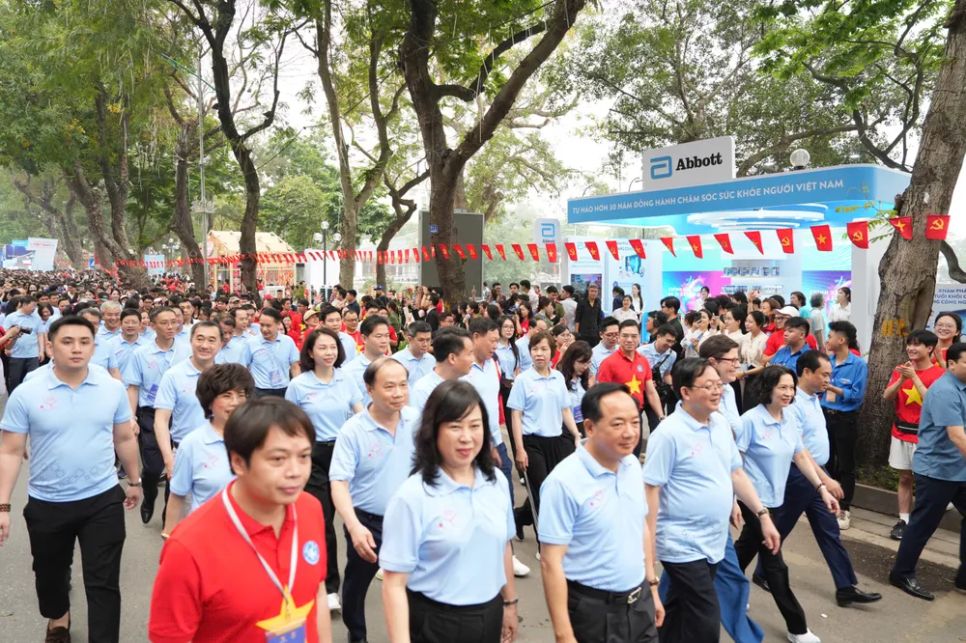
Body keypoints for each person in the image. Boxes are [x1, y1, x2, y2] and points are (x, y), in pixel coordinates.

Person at [0, 315, 141, 643]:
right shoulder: (28, 392)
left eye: (84, 342)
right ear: (50, 346)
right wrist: (3, 505)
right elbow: (10, 451)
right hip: (48, 501)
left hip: (102, 499)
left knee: (103, 581)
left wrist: (134, 480)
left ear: (94, 347)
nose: (76, 349)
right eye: (67, 342)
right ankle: (58, 618)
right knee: (49, 576)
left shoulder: (111, 387)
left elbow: (123, 437)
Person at [148, 398, 333, 642]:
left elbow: (316, 594)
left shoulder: (310, 509)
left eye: (304, 456)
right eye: (278, 459)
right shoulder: (189, 547)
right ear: (238, 462)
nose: (295, 471)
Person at [643, 358, 779, 643]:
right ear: (685, 392)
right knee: (705, 615)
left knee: (676, 610)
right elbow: (651, 491)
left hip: (715, 540)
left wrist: (762, 514)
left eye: (718, 384)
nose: (717, 391)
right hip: (680, 543)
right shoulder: (668, 434)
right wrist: (649, 546)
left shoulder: (718, 424)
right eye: (708, 386)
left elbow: (735, 472)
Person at [381, 381, 519, 643]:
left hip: (489, 614)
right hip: (436, 621)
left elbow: (503, 547)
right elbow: (394, 584)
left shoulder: (496, 483)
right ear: (433, 430)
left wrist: (509, 603)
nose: (466, 437)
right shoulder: (413, 496)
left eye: (475, 426)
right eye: (455, 426)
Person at [755, 351, 881, 608]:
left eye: (830, 374)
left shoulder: (814, 399)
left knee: (829, 530)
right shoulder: (792, 405)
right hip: (798, 477)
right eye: (824, 374)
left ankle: (845, 586)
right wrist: (825, 481)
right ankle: (761, 571)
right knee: (780, 527)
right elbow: (798, 450)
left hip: (815, 475)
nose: (828, 379)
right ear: (806, 373)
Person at [540, 383, 662, 643]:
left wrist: (652, 586)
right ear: (590, 427)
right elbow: (551, 561)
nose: (629, 433)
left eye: (634, 422)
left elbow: (639, 525)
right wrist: (564, 634)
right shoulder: (563, 482)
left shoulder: (631, 464)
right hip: (594, 611)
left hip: (639, 602)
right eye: (617, 424)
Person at [735, 365, 838, 643]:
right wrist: (735, 499)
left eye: (791, 388)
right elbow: (735, 465)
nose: (788, 393)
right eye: (782, 387)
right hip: (754, 501)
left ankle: (724, 589)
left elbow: (801, 456)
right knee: (774, 561)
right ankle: (797, 627)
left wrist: (822, 487)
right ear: (767, 388)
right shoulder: (750, 421)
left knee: (744, 549)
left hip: (777, 498)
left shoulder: (788, 419)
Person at [329, 357, 419, 643]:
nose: (398, 393)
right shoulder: (353, 431)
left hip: (410, 520)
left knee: (417, 583)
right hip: (367, 522)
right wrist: (354, 526)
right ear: (369, 389)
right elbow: (339, 483)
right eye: (389, 386)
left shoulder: (416, 421)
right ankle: (357, 635)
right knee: (357, 583)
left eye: (403, 385)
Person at [285, 327, 364, 611]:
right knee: (323, 521)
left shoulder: (346, 379)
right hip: (314, 456)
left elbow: (360, 415)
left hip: (345, 453)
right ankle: (330, 586)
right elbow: (289, 424)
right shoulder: (299, 385)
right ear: (310, 352)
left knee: (354, 518)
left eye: (333, 347)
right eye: (322, 348)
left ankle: (361, 578)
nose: (329, 352)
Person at [889, 341, 966, 600]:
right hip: (937, 470)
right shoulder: (945, 390)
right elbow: (957, 436)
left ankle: (964, 577)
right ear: (952, 364)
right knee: (923, 525)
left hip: (960, 469)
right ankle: (901, 573)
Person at [162, 363, 253, 536]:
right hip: (205, 536)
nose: (235, 403)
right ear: (209, 401)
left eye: (241, 395)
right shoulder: (192, 445)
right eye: (227, 395)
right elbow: (177, 496)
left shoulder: (258, 440)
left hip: (249, 537)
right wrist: (169, 537)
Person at [508, 330, 581, 539]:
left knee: (555, 489)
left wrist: (576, 435)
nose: (539, 353)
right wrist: (520, 449)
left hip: (556, 441)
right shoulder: (523, 380)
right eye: (535, 349)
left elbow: (565, 409)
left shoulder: (558, 377)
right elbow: (516, 415)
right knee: (542, 492)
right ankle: (546, 541)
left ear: (552, 352)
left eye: (543, 349)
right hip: (532, 442)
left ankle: (520, 517)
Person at [123, 307, 191, 525]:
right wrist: (131, 417)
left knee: (176, 464)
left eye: (174, 322)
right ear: (152, 325)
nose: (171, 327)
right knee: (152, 467)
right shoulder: (141, 354)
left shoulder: (186, 350)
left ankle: (167, 512)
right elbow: (133, 387)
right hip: (150, 414)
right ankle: (149, 495)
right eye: (165, 323)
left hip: (179, 412)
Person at [882, 330, 946, 541]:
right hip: (900, 432)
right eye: (909, 344)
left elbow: (933, 403)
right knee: (905, 477)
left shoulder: (940, 375)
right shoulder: (901, 369)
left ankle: (921, 524)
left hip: (926, 437)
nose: (911, 348)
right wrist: (901, 379)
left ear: (929, 349)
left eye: (917, 345)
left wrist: (914, 378)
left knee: (925, 481)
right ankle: (904, 520)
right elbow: (887, 396)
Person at [154, 321, 224, 508]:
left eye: (211, 340)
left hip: (221, 455)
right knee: (179, 521)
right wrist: (169, 461)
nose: (205, 345)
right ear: (191, 340)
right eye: (199, 339)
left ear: (220, 344)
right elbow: (161, 420)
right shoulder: (174, 375)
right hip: (183, 455)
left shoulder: (226, 377)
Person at [822, 321, 867, 530]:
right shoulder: (825, 361)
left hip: (845, 419)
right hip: (824, 416)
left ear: (842, 340)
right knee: (826, 460)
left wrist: (833, 388)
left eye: (831, 336)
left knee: (846, 465)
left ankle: (844, 508)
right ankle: (825, 502)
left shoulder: (858, 365)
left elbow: (857, 397)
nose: (827, 340)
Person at [596, 320, 665, 443]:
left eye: (634, 336)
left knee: (635, 454)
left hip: (636, 416)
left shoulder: (643, 361)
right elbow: (601, 396)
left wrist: (661, 416)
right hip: (616, 418)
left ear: (639, 337)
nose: (629, 340)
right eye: (625, 335)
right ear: (619, 337)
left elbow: (650, 391)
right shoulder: (608, 363)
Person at [241, 307, 301, 398]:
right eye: (262, 325)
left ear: (278, 324)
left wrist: (297, 388)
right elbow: (244, 367)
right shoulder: (251, 343)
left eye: (268, 326)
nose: (264, 329)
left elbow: (295, 367)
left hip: (284, 390)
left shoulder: (288, 342)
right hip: (260, 391)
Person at [344, 314, 393, 406]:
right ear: (364, 338)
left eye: (386, 336)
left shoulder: (395, 366)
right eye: (378, 336)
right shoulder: (350, 372)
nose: (384, 340)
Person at [2, 295, 43, 390]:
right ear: (24, 304)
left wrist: (41, 351)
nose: (35, 309)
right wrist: (7, 348)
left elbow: (40, 334)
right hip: (16, 354)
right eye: (33, 306)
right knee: (14, 380)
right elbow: (5, 334)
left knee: (33, 380)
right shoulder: (11, 317)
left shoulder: (36, 317)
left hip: (33, 354)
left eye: (36, 306)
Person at [557, 340, 593, 437]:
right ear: (571, 359)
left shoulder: (584, 378)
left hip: (582, 424)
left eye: (588, 362)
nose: (585, 366)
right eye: (581, 362)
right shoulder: (559, 378)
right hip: (564, 428)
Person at [106, 307, 148, 380]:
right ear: (120, 323)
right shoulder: (109, 345)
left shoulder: (148, 345)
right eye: (126, 322)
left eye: (134, 322)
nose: (130, 325)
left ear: (140, 324)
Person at [393, 321, 435, 386]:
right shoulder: (396, 361)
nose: (425, 344)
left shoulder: (432, 360)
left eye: (428, 340)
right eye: (421, 340)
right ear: (409, 339)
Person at [588, 316, 619, 381]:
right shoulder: (593, 354)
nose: (614, 338)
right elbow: (591, 380)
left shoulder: (622, 350)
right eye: (609, 335)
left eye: (616, 334)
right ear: (601, 334)